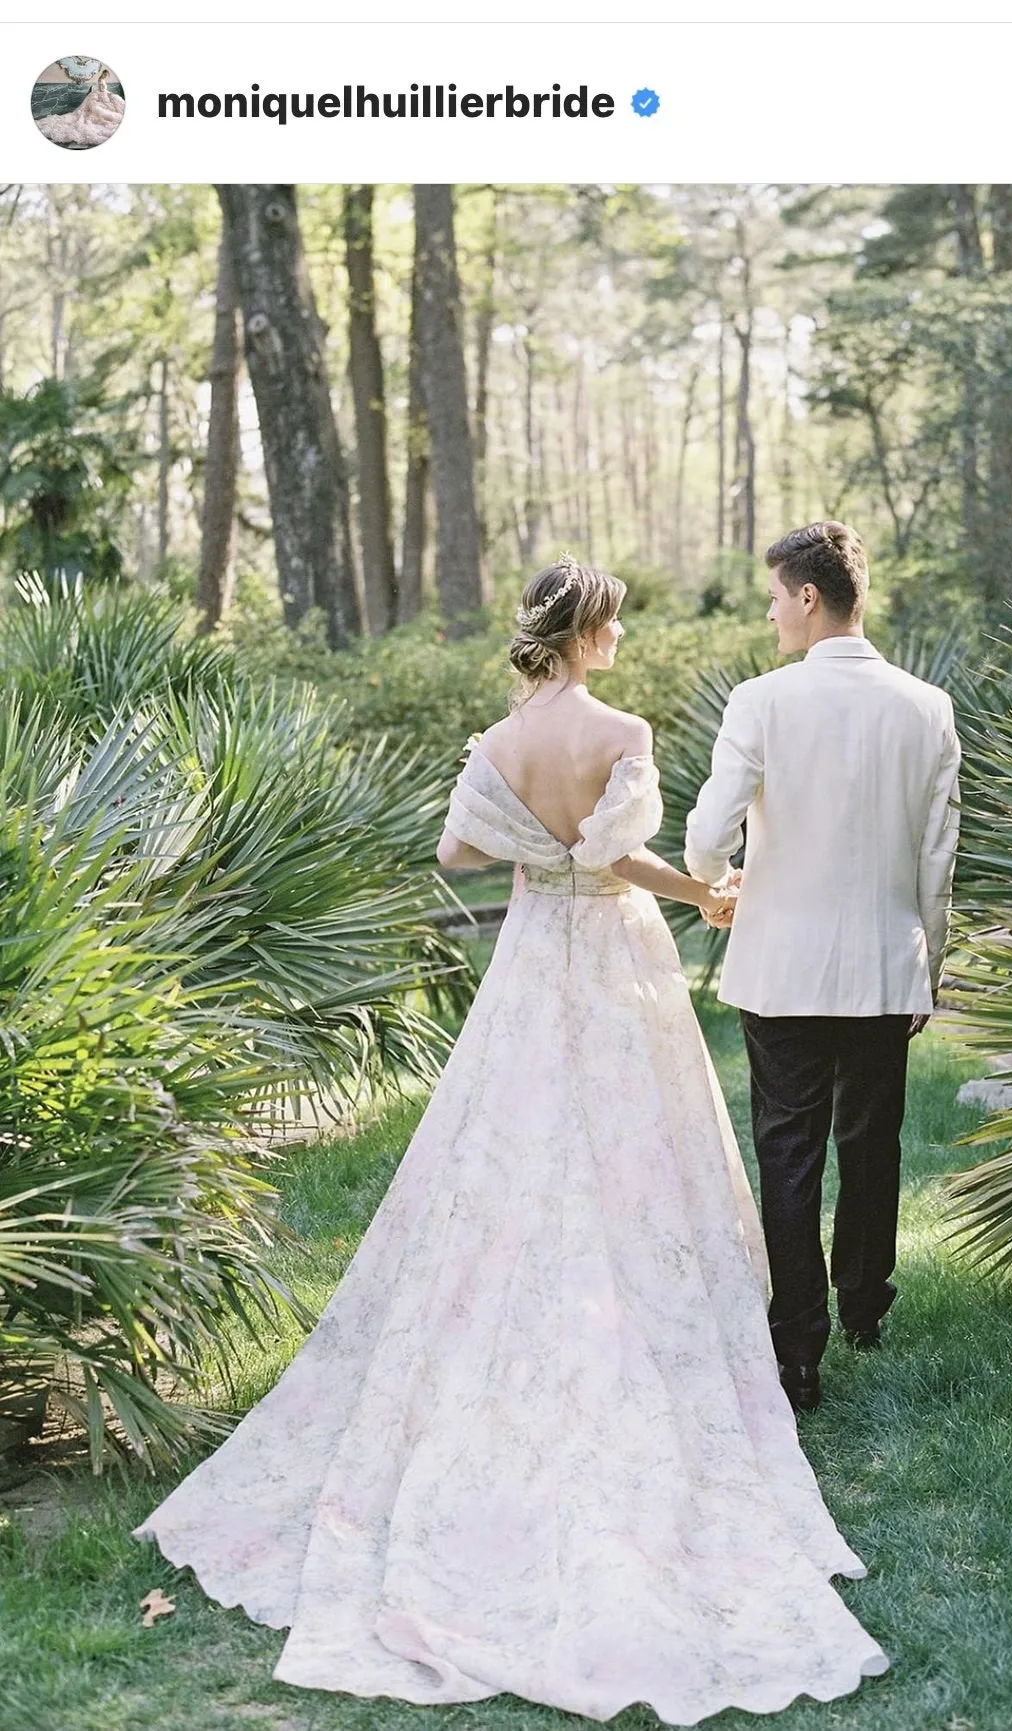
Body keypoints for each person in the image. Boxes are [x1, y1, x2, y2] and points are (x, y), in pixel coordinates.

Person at [132, 553, 889, 1723]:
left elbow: (459, 856)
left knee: (513, 1141)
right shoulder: (620, 728)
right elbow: (620, 859)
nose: (624, 641)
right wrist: (703, 897)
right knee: (639, 1147)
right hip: (615, 949)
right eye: (618, 624)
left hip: (535, 955)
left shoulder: (496, 743)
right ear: (586, 629)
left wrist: (541, 852)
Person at [685, 522, 961, 1415]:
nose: (770, 612)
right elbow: (936, 858)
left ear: (810, 597)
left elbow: (701, 840)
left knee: (789, 1151)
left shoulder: (761, 702)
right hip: (886, 965)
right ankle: (866, 1308)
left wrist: (717, 879)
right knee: (871, 1142)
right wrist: (931, 959)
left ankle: (796, 1350)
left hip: (782, 969)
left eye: (775, 596)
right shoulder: (928, 706)